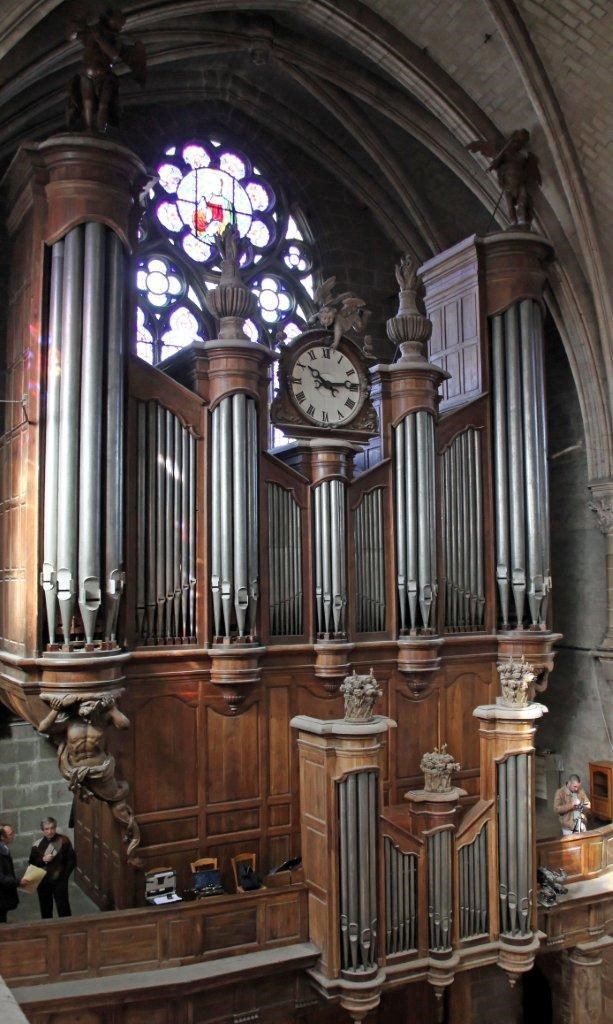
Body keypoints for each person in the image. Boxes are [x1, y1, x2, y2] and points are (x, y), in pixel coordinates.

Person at [29, 818, 75, 919]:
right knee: (45, 907)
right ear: (42, 830)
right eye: (46, 829)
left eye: (52, 828)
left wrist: (64, 877)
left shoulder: (64, 841)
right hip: (43, 881)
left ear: (55, 828)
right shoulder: (37, 845)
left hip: (60, 880)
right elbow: (32, 864)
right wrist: (43, 860)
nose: (50, 831)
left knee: (63, 907)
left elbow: (71, 860)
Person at [0, 824, 21, 923]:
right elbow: (1, 879)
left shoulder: (4, 849)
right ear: (2, 837)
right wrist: (18, 882)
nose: (13, 835)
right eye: (10, 834)